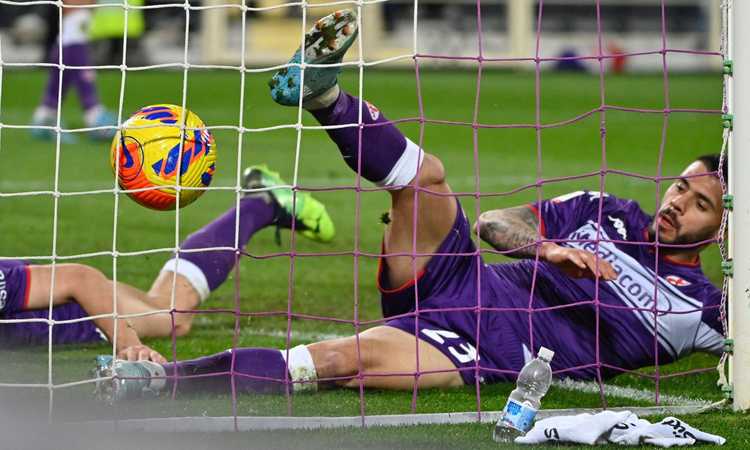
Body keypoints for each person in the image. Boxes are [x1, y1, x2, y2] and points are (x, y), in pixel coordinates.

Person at [95, 10, 725, 401]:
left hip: (494, 346)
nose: (677, 205)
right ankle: (325, 97)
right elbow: (493, 223)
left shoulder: (710, 309)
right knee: (426, 177)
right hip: (464, 277)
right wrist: (548, 248)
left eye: (700, 205)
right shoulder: (604, 211)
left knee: (341, 361)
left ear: (724, 231)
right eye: (680, 187)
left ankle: (156, 381)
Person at [1, 166, 334, 363]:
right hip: (49, 304)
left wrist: (131, 345)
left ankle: (260, 206)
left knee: (172, 316)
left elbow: (80, 279)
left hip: (77, 312)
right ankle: (259, 203)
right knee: (168, 306)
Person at [30, 0, 116, 142]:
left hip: (69, 39)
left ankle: (44, 119)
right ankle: (95, 118)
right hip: (73, 40)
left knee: (60, 79)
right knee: (81, 73)